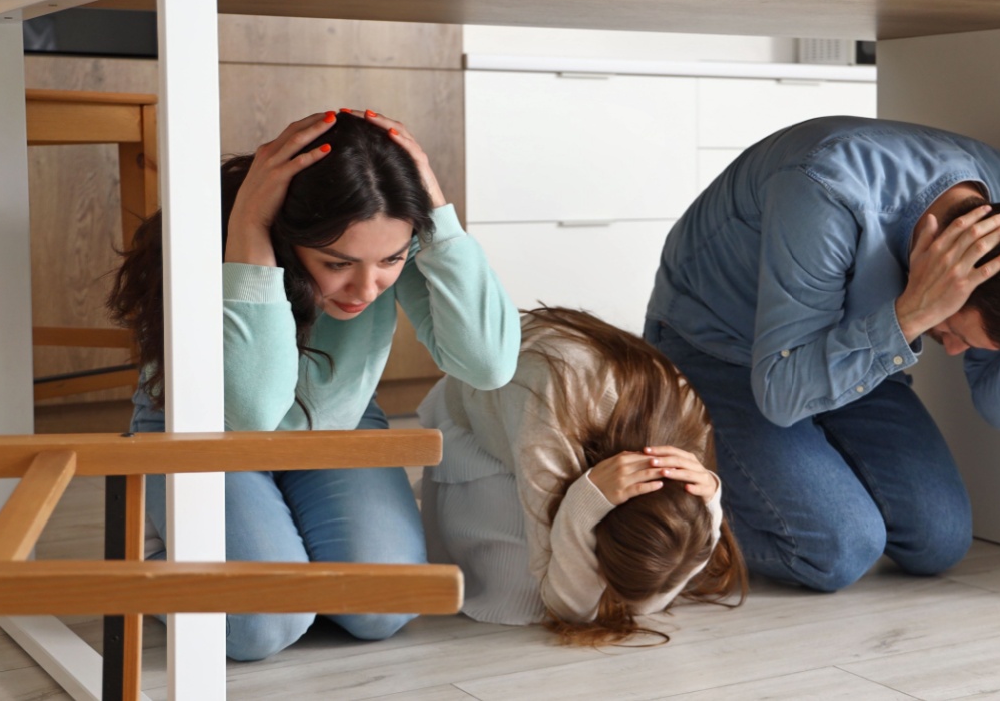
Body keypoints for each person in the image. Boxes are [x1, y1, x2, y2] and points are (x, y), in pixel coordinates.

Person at [107, 109, 521, 661]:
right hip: (213, 428)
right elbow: (251, 414)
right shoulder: (226, 234)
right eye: (337, 263)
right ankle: (161, 560)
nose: (366, 288)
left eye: (391, 260)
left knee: (385, 607)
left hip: (337, 420)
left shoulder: (393, 245)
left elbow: (488, 364)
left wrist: (439, 220)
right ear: (289, 236)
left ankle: (281, 556)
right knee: (260, 627)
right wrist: (250, 228)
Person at [645, 116, 1000, 592]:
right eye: (953, 329)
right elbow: (781, 394)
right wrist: (912, 314)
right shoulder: (822, 192)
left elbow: (999, 409)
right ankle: (641, 523)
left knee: (939, 541)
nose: (954, 350)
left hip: (854, 346)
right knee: (836, 550)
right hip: (726, 348)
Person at [417, 306, 746, 644]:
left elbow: (647, 598)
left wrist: (710, 501)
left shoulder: (688, 423)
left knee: (610, 588)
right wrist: (584, 502)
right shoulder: (547, 418)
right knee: (521, 599)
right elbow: (566, 608)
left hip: (558, 410)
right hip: (486, 416)